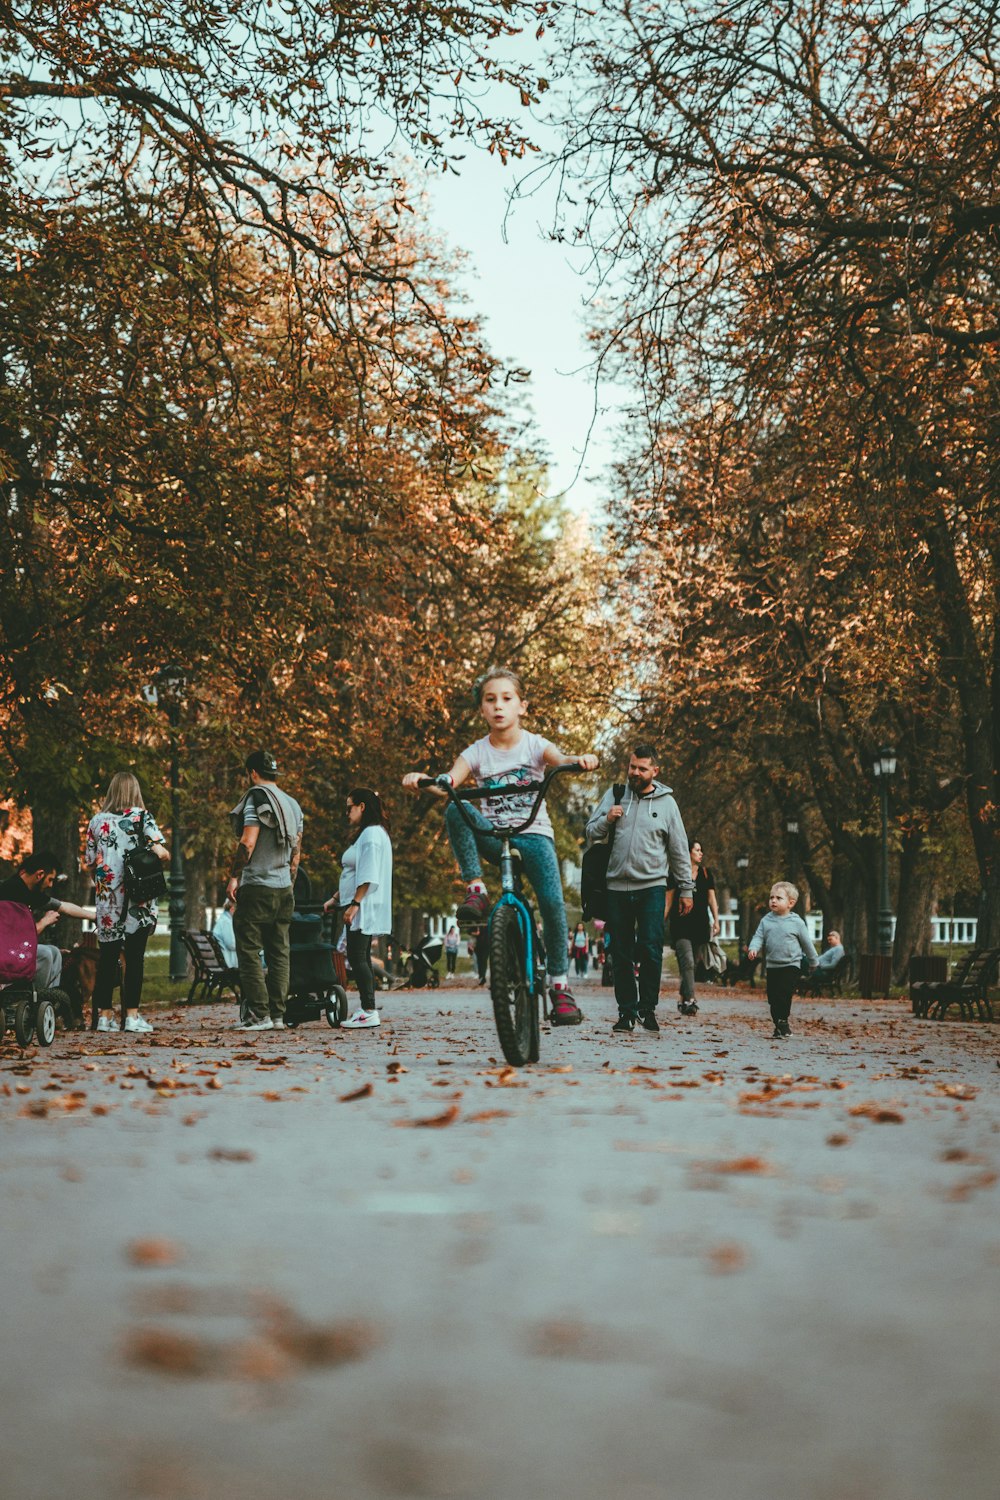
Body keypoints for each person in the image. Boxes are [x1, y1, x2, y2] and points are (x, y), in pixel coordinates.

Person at [402, 666, 599, 1025]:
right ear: (482, 710)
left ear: (522, 706)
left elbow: (562, 759)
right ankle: (475, 888)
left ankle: (559, 986)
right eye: (490, 700)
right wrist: (423, 781)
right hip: (495, 838)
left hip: (534, 835)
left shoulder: (535, 745)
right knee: (455, 807)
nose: (498, 706)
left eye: (507, 699)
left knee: (553, 905)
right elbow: (449, 781)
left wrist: (579, 761)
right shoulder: (476, 752)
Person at [585, 744, 693, 1034]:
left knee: (650, 948)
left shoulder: (667, 804)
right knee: (620, 952)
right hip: (616, 886)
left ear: (654, 772)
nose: (635, 772)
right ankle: (626, 1012)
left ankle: (648, 1009)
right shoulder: (616, 794)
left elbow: (679, 849)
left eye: (642, 768)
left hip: (652, 887)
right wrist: (607, 819)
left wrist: (686, 889)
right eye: (632, 766)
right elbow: (590, 831)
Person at [83, 775, 169, 1033]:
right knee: (134, 958)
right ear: (135, 791)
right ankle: (132, 1017)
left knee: (107, 957)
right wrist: (160, 853)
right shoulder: (142, 817)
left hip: (107, 899)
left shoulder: (96, 821)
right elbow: (160, 852)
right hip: (137, 899)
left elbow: (89, 861)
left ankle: (105, 1018)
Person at [227, 750, 303, 1031]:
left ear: (253, 773)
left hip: (257, 885)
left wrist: (234, 877)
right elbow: (296, 854)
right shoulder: (293, 805)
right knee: (279, 953)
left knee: (248, 950)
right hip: (284, 887)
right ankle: (278, 1015)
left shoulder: (255, 797)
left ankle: (259, 1015)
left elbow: (248, 842)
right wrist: (288, 883)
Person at [323, 787, 392, 1029]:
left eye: (349, 807)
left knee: (357, 956)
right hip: (360, 902)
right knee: (358, 955)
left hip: (365, 904)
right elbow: (352, 873)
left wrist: (354, 905)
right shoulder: (369, 834)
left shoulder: (372, 835)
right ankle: (367, 1009)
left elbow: (368, 873)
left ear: (362, 806)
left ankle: (369, 1010)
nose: (347, 813)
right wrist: (336, 898)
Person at [0, 850, 96, 991]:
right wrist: (45, 921)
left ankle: (50, 1002)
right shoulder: (12, 893)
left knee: (54, 952)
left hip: (9, 950)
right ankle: (35, 1000)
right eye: (50, 879)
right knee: (45, 954)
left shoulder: (25, 891)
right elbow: (14, 937)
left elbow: (63, 907)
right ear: (39, 875)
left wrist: (94, 917)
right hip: (5, 953)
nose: (51, 885)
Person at [747, 881, 818, 1038]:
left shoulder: (797, 923)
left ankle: (783, 1021)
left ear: (790, 903)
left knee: (784, 994)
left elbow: (807, 944)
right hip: (772, 965)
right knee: (773, 998)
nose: (773, 900)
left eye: (779, 898)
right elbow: (758, 937)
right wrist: (753, 948)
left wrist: (814, 962)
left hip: (791, 965)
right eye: (771, 897)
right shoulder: (766, 920)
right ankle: (778, 1024)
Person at [665, 838, 720, 1015]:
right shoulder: (675, 874)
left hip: (700, 925)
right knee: (687, 961)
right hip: (680, 924)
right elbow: (669, 900)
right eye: (697, 850)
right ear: (688, 852)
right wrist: (659, 924)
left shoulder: (706, 874)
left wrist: (716, 920)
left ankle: (682, 997)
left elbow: (712, 899)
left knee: (691, 965)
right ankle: (690, 1000)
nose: (701, 853)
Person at [211, 897, 238, 969]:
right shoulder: (226, 922)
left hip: (224, 959)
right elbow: (231, 944)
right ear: (232, 909)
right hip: (228, 962)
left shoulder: (223, 919)